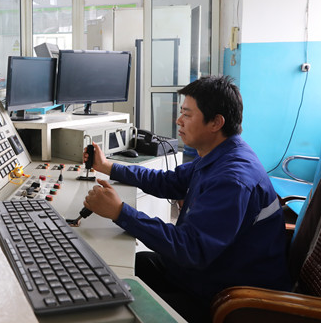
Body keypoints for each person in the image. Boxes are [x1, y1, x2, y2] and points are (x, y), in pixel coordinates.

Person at [82, 75, 290, 323]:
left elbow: (191, 249)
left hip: (228, 298)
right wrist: (107, 167)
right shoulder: (220, 154)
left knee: (114, 308)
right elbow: (168, 181)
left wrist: (120, 212)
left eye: (187, 115)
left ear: (216, 122)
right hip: (207, 272)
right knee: (123, 267)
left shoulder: (232, 179)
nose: (178, 121)